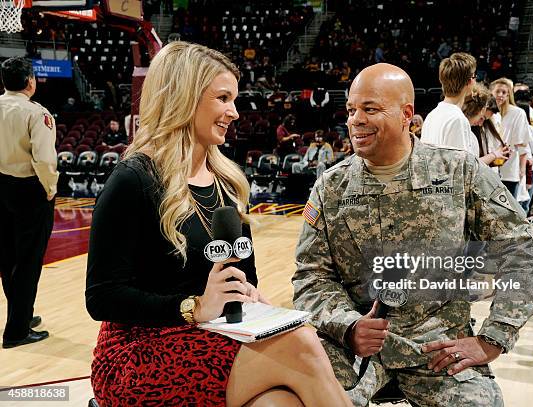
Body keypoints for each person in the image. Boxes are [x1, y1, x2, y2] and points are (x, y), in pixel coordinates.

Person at [86, 42, 352, 407]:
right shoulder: (133, 179)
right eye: (223, 98)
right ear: (185, 98)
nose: (235, 112)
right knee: (302, 343)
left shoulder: (227, 182)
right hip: (138, 352)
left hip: (211, 334)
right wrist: (193, 307)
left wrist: (251, 296)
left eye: (234, 99)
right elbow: (101, 297)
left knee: (280, 402)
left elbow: (244, 274)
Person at [292, 63, 533, 407]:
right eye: (351, 109)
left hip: (438, 349)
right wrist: (348, 326)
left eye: (370, 109)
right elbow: (311, 276)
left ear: (406, 114)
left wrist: (493, 338)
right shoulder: (331, 187)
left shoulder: (460, 172)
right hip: (353, 352)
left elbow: (521, 251)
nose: (355, 120)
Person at [0, 57, 57, 348]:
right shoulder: (37, 113)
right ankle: (17, 330)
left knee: (7, 259)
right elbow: (45, 159)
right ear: (30, 82)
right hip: (28, 190)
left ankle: (21, 314)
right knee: (28, 261)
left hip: (0, 187)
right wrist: (50, 188)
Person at [421, 52, 479, 156]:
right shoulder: (457, 119)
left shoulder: (431, 115)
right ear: (470, 81)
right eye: (475, 76)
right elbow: (459, 168)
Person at [490, 78, 530, 198]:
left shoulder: (518, 113)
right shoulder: (486, 112)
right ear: (491, 92)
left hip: (510, 167)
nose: (500, 95)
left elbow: (522, 143)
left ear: (509, 95)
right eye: (498, 91)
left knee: (510, 209)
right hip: (489, 167)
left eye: (504, 92)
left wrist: (522, 168)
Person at [462, 83, 510, 167]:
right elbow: (470, 165)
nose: (480, 124)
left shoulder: (482, 127)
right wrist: (493, 155)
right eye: (481, 118)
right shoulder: (463, 129)